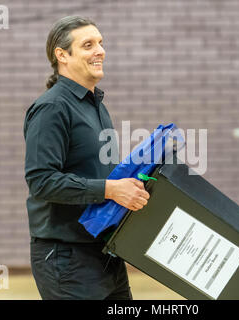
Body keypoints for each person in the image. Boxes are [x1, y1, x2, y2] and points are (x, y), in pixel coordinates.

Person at [23, 16, 150, 300]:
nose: (100, 51)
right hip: (66, 259)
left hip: (106, 252)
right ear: (62, 55)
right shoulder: (51, 109)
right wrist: (111, 189)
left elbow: (98, 172)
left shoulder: (96, 106)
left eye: (101, 43)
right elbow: (41, 182)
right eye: (88, 45)